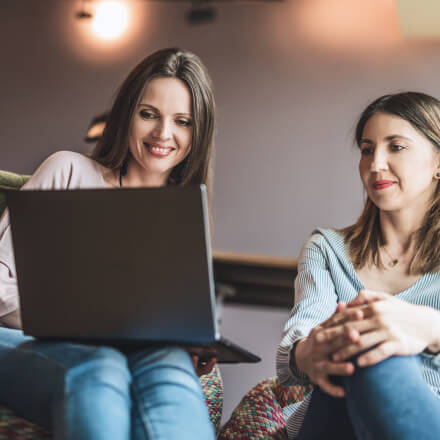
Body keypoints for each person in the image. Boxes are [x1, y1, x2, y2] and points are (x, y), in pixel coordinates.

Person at [0, 47, 218, 440]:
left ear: (197, 133)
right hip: (25, 344)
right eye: (148, 114)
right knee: (101, 364)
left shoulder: (181, 218)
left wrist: (192, 342)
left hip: (136, 351)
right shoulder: (69, 170)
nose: (162, 134)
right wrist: (83, 322)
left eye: (182, 121)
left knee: (171, 366)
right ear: (126, 114)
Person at [277, 91, 440, 439]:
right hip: (334, 420)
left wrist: (423, 327)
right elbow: (301, 339)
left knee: (376, 341)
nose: (375, 164)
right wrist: (312, 349)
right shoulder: (327, 248)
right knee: (362, 341)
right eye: (367, 150)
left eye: (395, 146)